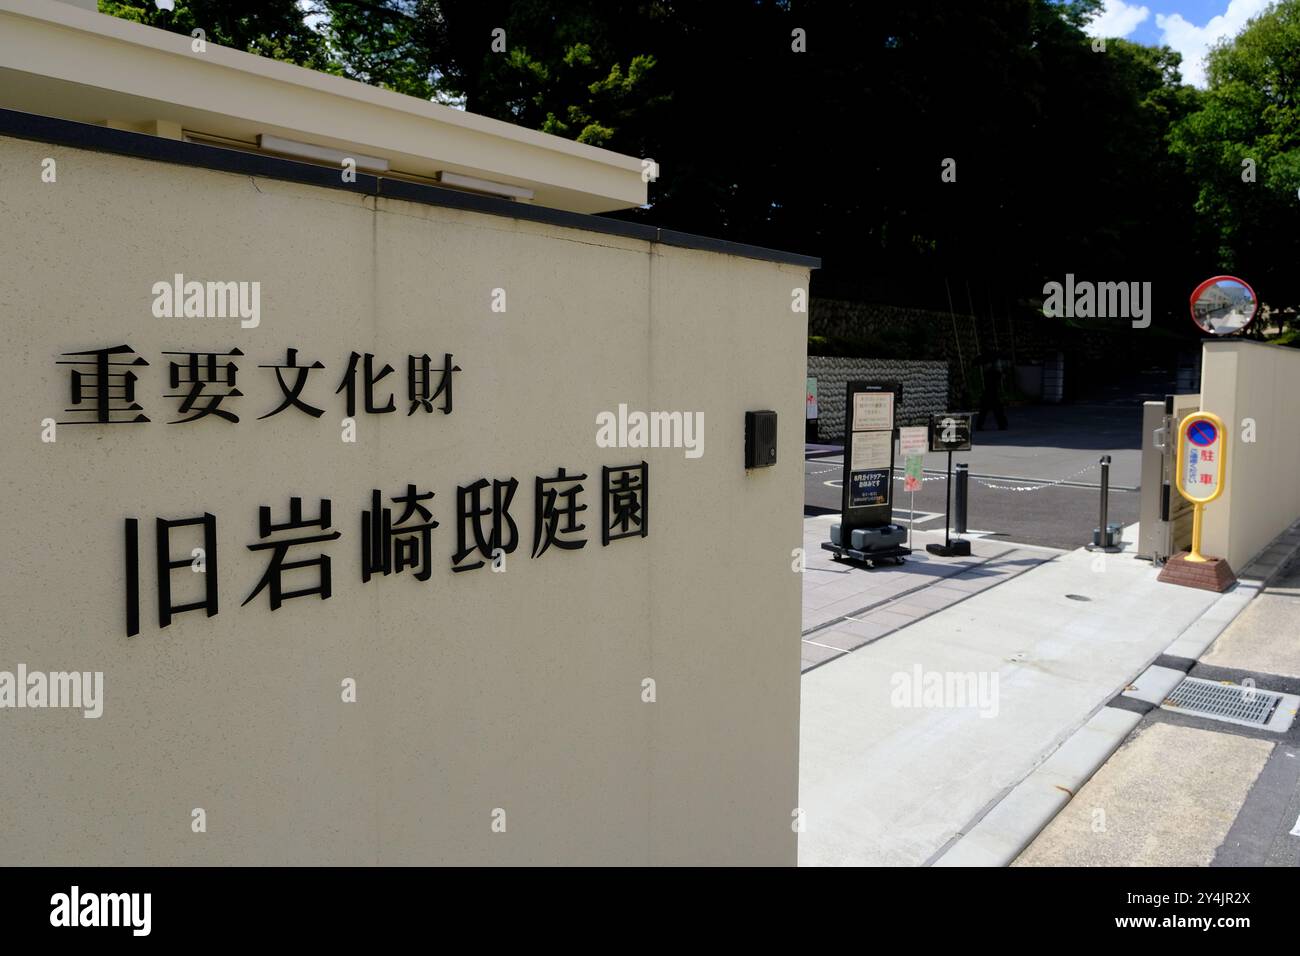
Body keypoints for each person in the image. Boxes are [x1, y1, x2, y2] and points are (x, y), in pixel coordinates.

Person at [975, 351, 1008, 430]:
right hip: (993, 394)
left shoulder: (986, 372)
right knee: (998, 410)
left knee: (984, 411)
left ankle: (979, 426)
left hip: (987, 393)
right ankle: (1002, 425)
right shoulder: (994, 372)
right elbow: (1003, 377)